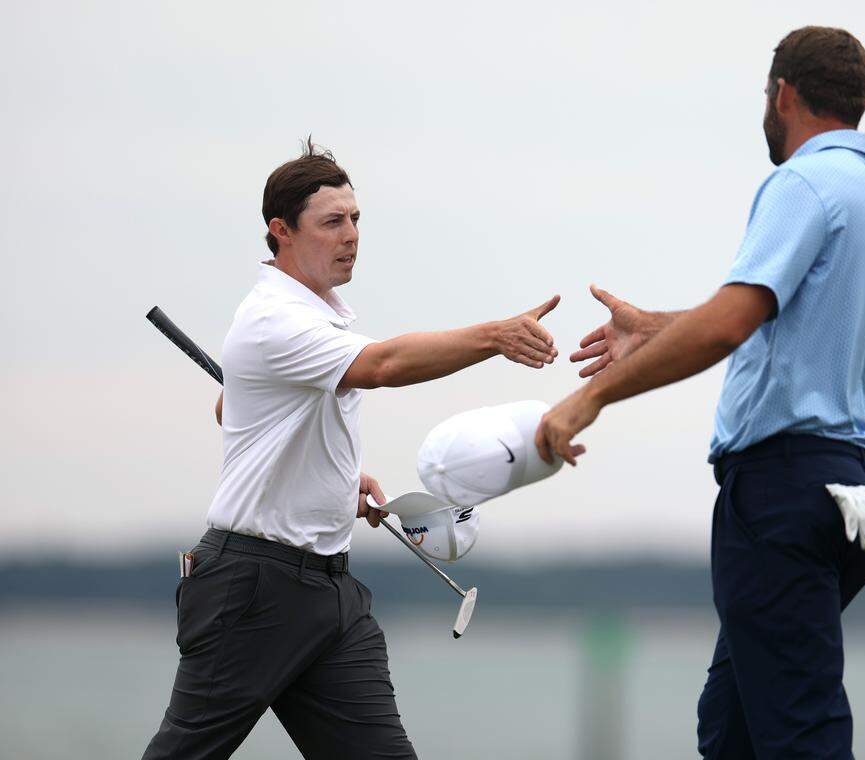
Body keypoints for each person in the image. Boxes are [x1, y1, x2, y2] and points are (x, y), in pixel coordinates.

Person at [535, 26, 865, 759]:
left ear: (783, 95)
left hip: (782, 496)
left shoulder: (801, 184)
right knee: (734, 728)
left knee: (800, 737)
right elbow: (779, 318)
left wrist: (594, 396)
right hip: (851, 492)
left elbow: (730, 324)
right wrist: (657, 327)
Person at [143, 139, 561, 760]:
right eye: (332, 222)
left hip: (329, 591)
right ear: (280, 232)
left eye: (356, 219)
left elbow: (235, 410)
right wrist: (494, 336)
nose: (351, 236)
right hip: (253, 587)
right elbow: (384, 365)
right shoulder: (273, 320)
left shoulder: (315, 318)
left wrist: (333, 479)